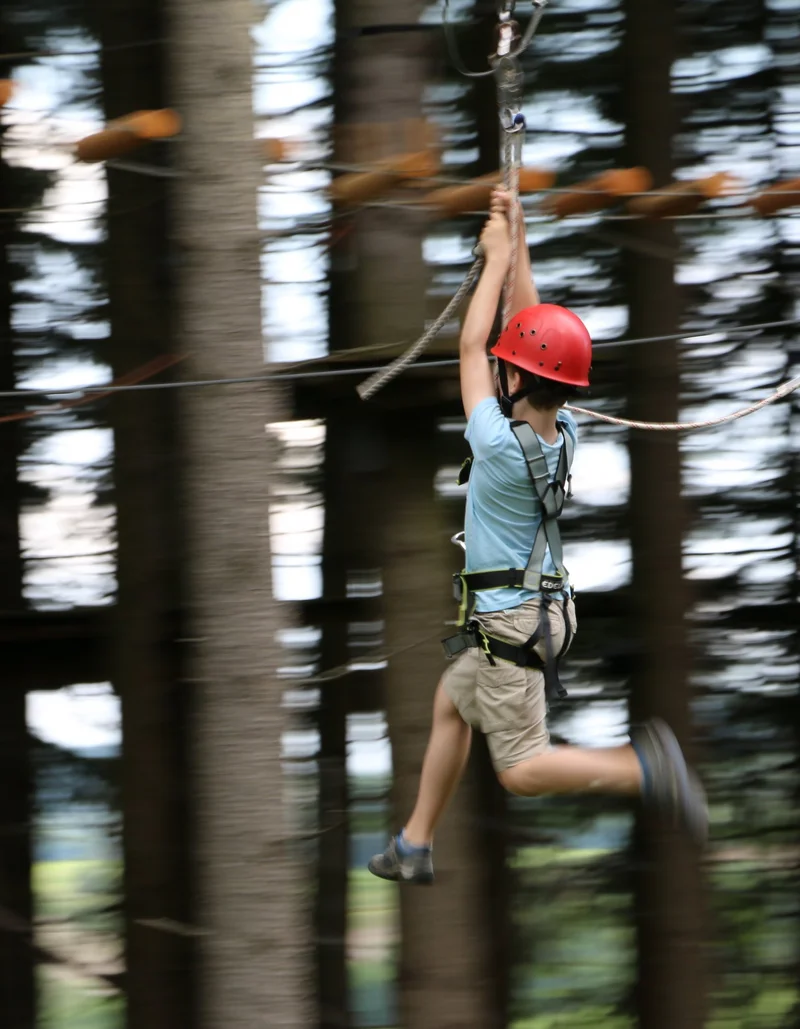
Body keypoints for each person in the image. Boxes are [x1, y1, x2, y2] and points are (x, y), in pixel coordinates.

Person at [368, 189, 707, 885]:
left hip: (512, 620)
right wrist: (518, 241)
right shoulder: (565, 431)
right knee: (451, 704)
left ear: (519, 376)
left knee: (521, 769)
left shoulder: (495, 443)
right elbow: (528, 327)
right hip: (542, 610)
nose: (497, 366)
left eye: (508, 363)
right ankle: (415, 842)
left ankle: (642, 769)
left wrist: (496, 257)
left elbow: (472, 344)